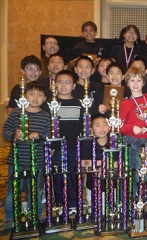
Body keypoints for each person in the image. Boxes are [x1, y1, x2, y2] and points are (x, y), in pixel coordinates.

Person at [2, 81, 51, 230]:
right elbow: (5, 132)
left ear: (44, 99)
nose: (35, 98)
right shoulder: (16, 113)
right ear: (24, 96)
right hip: (16, 159)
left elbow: (49, 135)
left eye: (40, 95)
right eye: (31, 94)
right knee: (13, 190)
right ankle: (10, 218)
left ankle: (35, 216)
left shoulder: (45, 116)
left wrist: (40, 136)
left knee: (34, 190)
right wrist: (14, 135)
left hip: (37, 160)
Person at [51, 70, 83, 214]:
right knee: (57, 174)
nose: (63, 85)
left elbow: (81, 126)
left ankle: (72, 203)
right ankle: (59, 202)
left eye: (68, 82)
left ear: (74, 85)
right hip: (55, 148)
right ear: (54, 84)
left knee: (72, 174)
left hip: (73, 146)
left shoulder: (79, 104)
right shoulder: (50, 104)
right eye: (60, 82)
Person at [119, 67, 147, 196]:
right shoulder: (126, 103)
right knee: (129, 174)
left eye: (139, 80)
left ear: (143, 82)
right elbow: (120, 126)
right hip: (130, 141)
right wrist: (132, 128)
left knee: (143, 175)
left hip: (145, 141)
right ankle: (129, 203)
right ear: (127, 83)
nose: (136, 84)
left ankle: (142, 203)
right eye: (132, 80)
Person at [82, 114, 110, 210]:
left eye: (105, 124)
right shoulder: (87, 143)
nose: (102, 128)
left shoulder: (114, 142)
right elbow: (81, 163)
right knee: (94, 211)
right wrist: (102, 163)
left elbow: (120, 163)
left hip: (112, 185)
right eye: (97, 125)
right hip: (93, 184)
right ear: (91, 128)